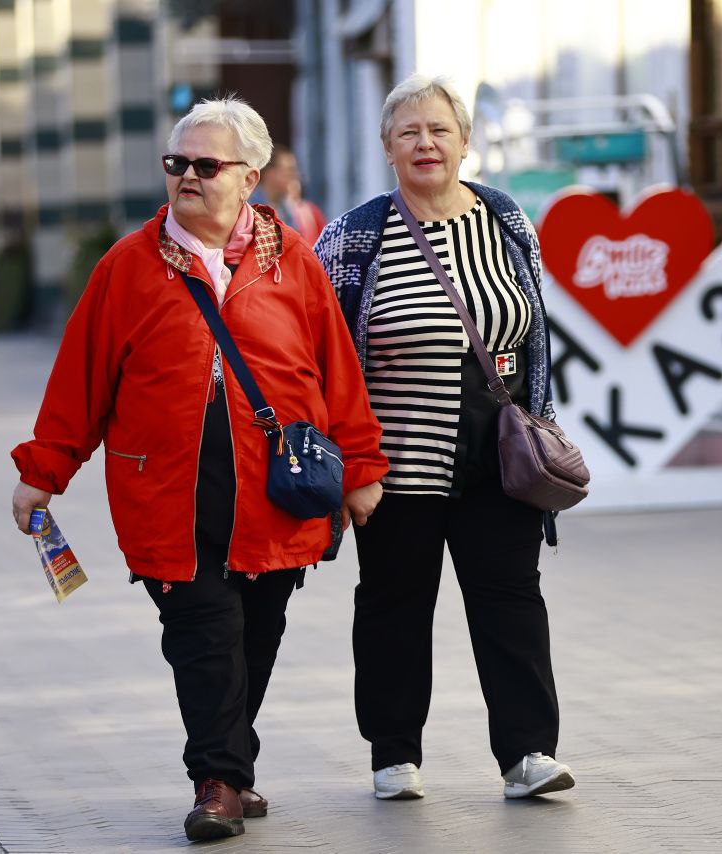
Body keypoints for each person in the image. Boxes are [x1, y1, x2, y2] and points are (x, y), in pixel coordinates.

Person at [9, 97, 388, 842]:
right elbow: (81, 381)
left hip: (277, 486)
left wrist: (361, 468)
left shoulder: (295, 262)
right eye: (176, 163)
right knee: (202, 633)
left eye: (205, 165)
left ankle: (232, 767)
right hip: (167, 489)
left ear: (248, 178)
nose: (187, 176)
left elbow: (336, 371)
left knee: (257, 632)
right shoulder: (127, 265)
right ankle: (215, 780)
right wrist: (44, 469)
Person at [315, 74, 574, 802]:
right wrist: (346, 464)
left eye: (438, 130)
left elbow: (533, 334)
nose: (425, 143)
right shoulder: (356, 235)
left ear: (465, 141)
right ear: (388, 149)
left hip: (499, 462)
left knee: (512, 600)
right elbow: (327, 354)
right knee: (395, 604)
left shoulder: (506, 219)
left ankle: (528, 753)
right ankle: (393, 754)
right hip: (394, 465)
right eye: (408, 132)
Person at [257, 146, 325, 245]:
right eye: (290, 170)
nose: (295, 175)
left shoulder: (291, 210)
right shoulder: (249, 209)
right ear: (270, 173)